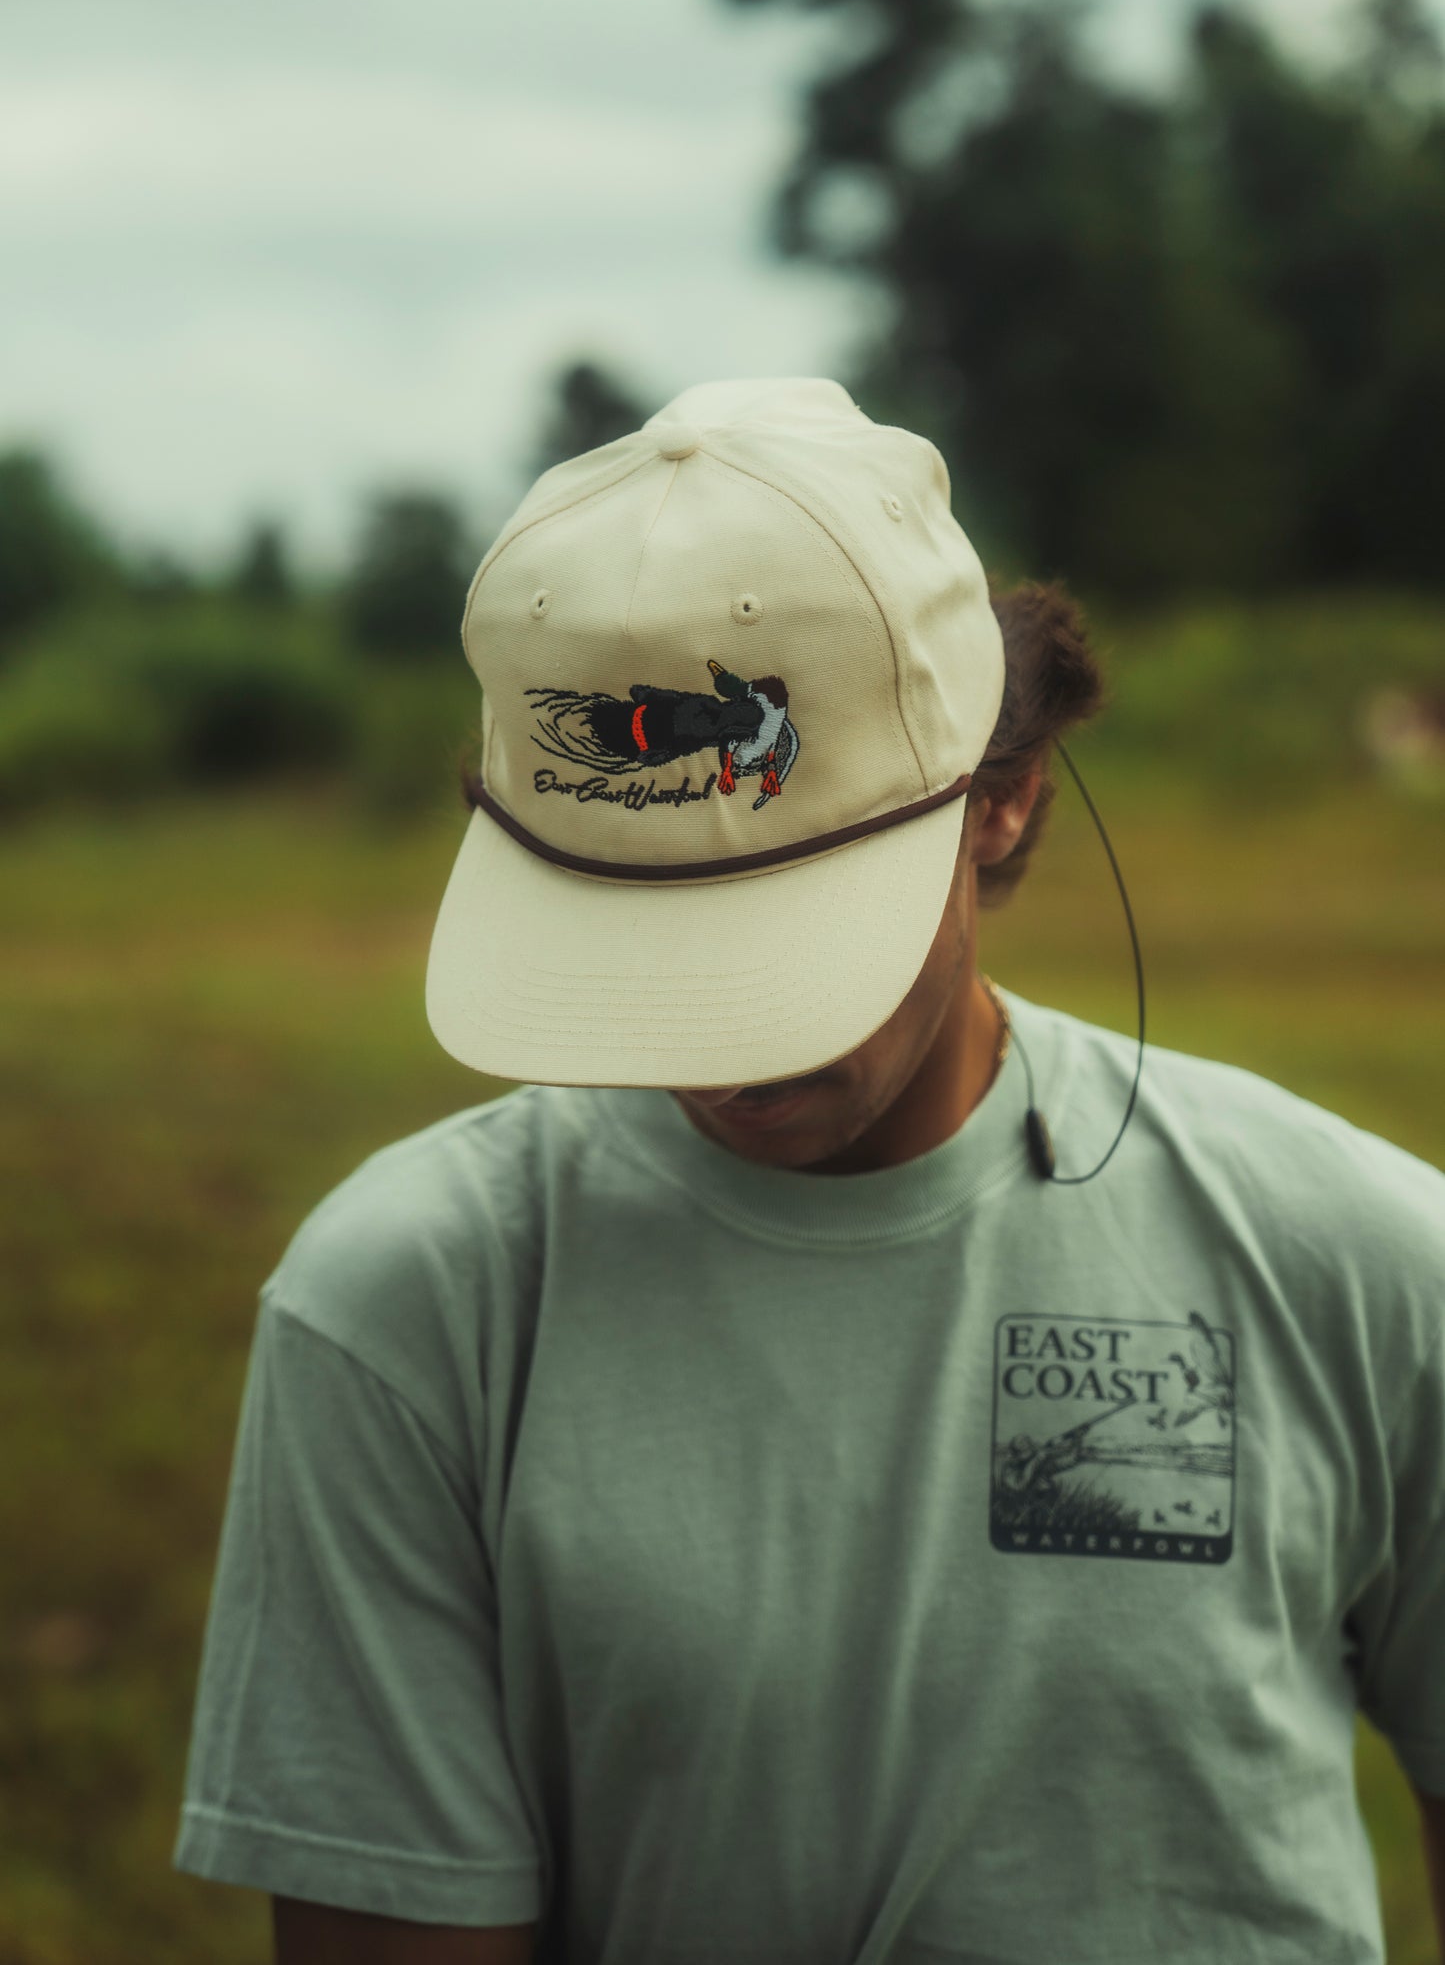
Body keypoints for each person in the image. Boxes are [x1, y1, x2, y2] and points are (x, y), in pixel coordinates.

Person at [173, 379, 1445, 1965]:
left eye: (786, 938)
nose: (719, 1047)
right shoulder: (407, 1315)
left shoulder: (1365, 1264)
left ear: (1001, 798)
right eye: (638, 943)